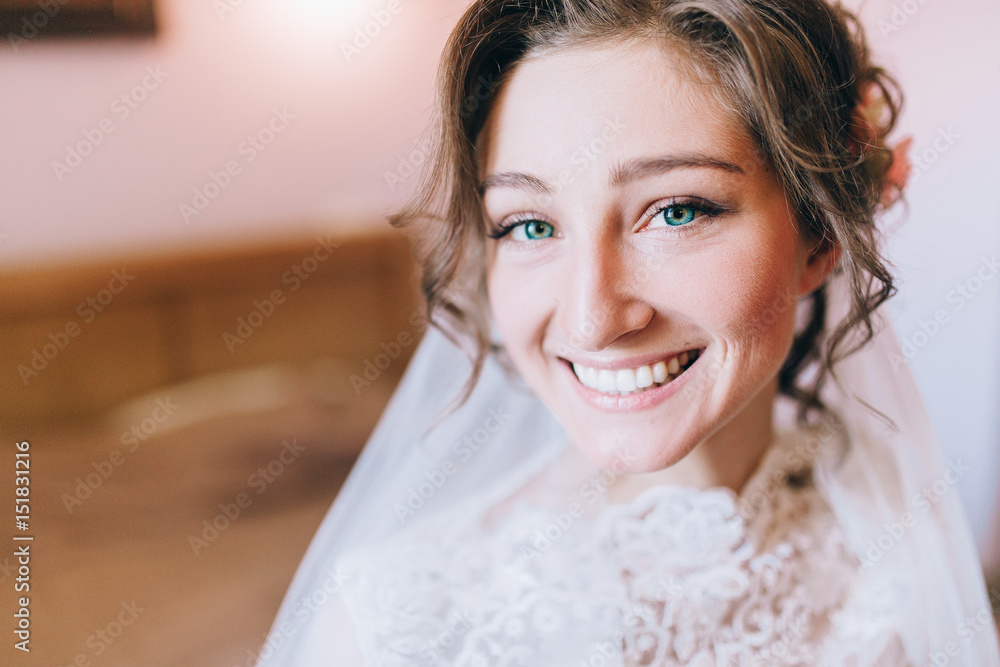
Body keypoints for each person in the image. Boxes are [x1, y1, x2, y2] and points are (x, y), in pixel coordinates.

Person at [257, 1, 1000, 664]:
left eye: (676, 210)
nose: (592, 318)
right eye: (530, 225)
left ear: (819, 234)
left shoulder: (889, 535)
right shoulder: (393, 623)